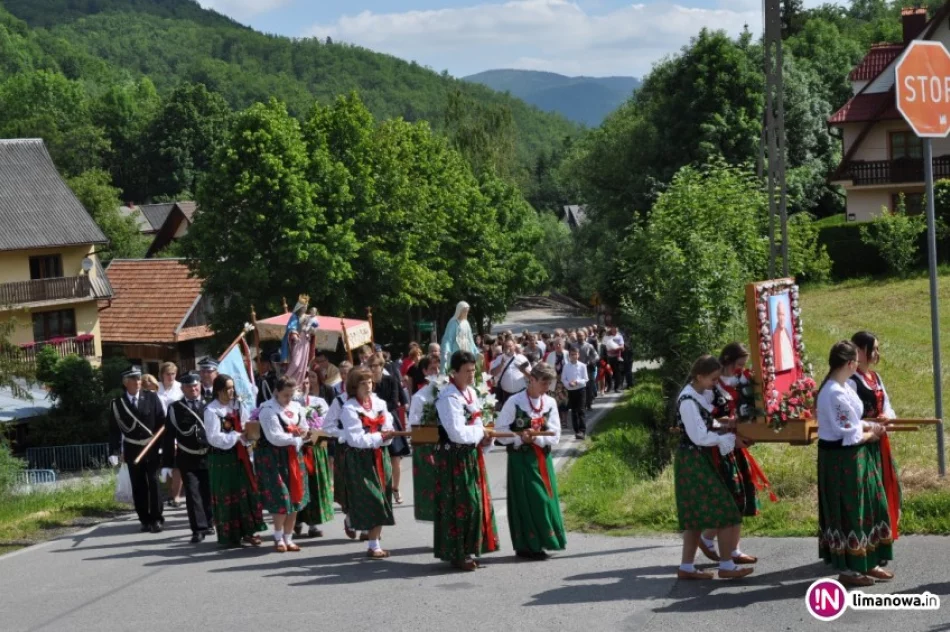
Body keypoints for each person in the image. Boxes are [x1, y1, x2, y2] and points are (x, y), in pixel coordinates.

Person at [817, 341, 893, 586]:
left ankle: (868, 561)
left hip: (856, 457)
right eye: (856, 363)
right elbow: (850, 435)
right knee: (850, 511)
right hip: (841, 460)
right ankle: (849, 570)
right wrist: (875, 434)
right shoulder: (834, 393)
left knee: (869, 506)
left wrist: (870, 425)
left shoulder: (845, 386)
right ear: (850, 363)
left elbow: (855, 421)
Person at [673, 355, 753, 580]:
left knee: (695, 517)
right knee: (727, 509)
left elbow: (704, 424)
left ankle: (687, 568)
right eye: (713, 379)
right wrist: (725, 438)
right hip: (695, 459)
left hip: (697, 457)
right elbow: (698, 436)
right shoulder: (688, 400)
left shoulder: (696, 395)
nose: (715, 383)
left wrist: (723, 424)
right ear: (699, 376)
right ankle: (726, 565)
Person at [698, 342, 765, 565]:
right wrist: (731, 424)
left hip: (736, 440)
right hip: (720, 443)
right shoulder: (712, 385)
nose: (741, 368)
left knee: (741, 494)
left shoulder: (744, 379)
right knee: (728, 495)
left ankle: (734, 549)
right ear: (727, 360)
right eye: (738, 364)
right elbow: (708, 418)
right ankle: (707, 537)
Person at [434, 350, 500, 571]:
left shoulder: (471, 393)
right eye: (467, 371)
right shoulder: (448, 397)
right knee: (463, 505)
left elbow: (478, 424)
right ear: (454, 373)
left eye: (473, 370)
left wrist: (484, 436)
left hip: (470, 455)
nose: (472, 375)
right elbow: (456, 433)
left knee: (477, 502)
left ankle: (470, 549)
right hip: (455, 458)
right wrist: (481, 432)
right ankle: (458, 552)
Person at [495, 362, 567, 560]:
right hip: (520, 458)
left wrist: (536, 437)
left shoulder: (549, 403)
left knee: (543, 500)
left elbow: (555, 435)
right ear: (531, 379)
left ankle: (543, 541)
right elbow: (500, 433)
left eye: (549, 383)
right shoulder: (514, 402)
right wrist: (520, 437)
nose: (546, 388)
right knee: (525, 502)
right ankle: (527, 545)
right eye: (543, 382)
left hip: (541, 459)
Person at [847, 331, 901, 564]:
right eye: (873, 348)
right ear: (859, 350)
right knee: (871, 497)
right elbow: (848, 418)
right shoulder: (850, 380)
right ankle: (868, 546)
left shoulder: (875, 378)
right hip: (862, 444)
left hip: (880, 442)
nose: (877, 353)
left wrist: (886, 416)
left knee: (888, 489)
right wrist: (871, 424)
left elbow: (888, 407)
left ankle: (881, 541)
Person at [339, 367, 396, 559]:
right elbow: (356, 439)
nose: (368, 386)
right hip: (360, 459)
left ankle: (373, 543)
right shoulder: (349, 408)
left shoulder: (379, 403)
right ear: (354, 387)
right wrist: (380, 436)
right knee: (372, 499)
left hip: (380, 455)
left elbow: (388, 426)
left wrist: (386, 437)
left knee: (383, 497)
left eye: (370, 382)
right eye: (363, 383)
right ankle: (364, 533)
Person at [204, 374, 266, 548]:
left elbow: (246, 425)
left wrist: (249, 435)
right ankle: (230, 534)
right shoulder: (212, 411)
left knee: (246, 493)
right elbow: (214, 438)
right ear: (218, 391)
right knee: (227, 494)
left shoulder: (237, 406)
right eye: (227, 388)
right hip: (222, 459)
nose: (231, 392)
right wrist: (237, 436)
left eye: (232, 388)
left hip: (241, 456)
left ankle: (249, 531)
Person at [108, 366, 167, 533]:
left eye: (139, 378)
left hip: (151, 446)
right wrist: (113, 451)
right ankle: (144, 519)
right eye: (134, 379)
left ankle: (157, 518)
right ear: (126, 383)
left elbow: (161, 422)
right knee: (138, 484)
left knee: (154, 482)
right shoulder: (117, 404)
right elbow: (114, 430)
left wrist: (162, 446)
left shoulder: (152, 397)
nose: (138, 382)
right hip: (132, 448)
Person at [257, 376, 311, 552]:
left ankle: (289, 537)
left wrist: (304, 435)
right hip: (274, 458)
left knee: (295, 497)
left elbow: (304, 428)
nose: (289, 398)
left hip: (294, 456)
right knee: (281, 497)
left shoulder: (296, 408)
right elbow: (275, 437)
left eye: (291, 394)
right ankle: (278, 536)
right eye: (286, 395)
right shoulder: (267, 409)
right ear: (276, 393)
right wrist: (296, 439)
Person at [161, 372, 214, 543]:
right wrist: (167, 463)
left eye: (196, 385)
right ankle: (198, 529)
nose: (193, 388)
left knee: (208, 491)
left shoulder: (210, 404)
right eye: (189, 386)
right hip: (187, 457)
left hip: (208, 455)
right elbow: (169, 436)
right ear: (183, 388)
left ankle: (209, 522)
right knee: (192, 493)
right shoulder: (175, 408)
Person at [293, 372, 334, 538]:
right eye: (301, 381)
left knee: (315, 486)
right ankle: (296, 519)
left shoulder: (319, 402)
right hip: (297, 449)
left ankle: (314, 524)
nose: (305, 384)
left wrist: (314, 435)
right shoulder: (290, 404)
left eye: (307, 381)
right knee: (299, 485)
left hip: (316, 448)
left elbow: (327, 424)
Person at [368, 352, 410, 504]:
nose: (373, 369)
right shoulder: (367, 383)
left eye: (376, 366)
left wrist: (379, 410)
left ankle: (396, 488)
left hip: (390, 421)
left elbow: (394, 401)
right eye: (370, 366)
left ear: (381, 366)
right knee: (377, 458)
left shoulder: (391, 380)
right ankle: (381, 488)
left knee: (395, 458)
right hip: (371, 422)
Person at [407, 355, 442, 522]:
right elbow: (413, 426)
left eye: (438, 368)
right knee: (433, 490)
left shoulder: (447, 391)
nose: (436, 372)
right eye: (432, 369)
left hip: (449, 447)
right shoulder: (419, 397)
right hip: (429, 447)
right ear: (424, 372)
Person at [157, 361, 184, 508]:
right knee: (164, 462)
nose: (171, 376)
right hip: (159, 430)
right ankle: (168, 492)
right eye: (168, 374)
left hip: (176, 429)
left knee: (176, 463)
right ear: (162, 375)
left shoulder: (180, 388)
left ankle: (176, 495)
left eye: (173, 373)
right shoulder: (156, 388)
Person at [491, 338, 531, 410]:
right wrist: (501, 364)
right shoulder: (499, 358)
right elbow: (492, 373)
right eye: (506, 346)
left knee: (521, 414)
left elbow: (531, 376)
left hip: (521, 392)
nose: (508, 348)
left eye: (510, 346)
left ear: (514, 346)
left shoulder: (521, 358)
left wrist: (524, 370)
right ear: (503, 348)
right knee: (509, 415)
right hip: (506, 394)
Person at [440, 301, 478, 373]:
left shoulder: (466, 323)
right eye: (464, 311)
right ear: (459, 311)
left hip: (466, 348)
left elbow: (470, 339)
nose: (466, 313)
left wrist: (476, 351)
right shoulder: (453, 322)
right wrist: (446, 350)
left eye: (467, 311)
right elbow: (448, 338)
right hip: (456, 349)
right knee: (457, 366)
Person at [561, 347, 589, 439]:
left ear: (578, 355)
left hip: (581, 390)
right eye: (572, 354)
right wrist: (568, 384)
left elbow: (585, 379)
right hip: (571, 390)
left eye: (575, 354)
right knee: (574, 411)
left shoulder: (582, 366)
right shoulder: (566, 366)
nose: (574, 356)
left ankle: (582, 430)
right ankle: (576, 430)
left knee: (581, 410)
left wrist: (577, 382)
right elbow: (563, 379)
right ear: (569, 356)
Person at [576, 332, 599, 411]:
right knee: (579, 387)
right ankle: (581, 404)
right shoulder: (573, 346)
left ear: (585, 336)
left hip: (588, 368)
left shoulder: (589, 346)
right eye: (578, 336)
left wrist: (591, 361)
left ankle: (589, 404)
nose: (580, 337)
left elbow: (596, 356)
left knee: (588, 387)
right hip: (577, 369)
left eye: (581, 336)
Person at [772, 297, 795, 373]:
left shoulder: (787, 332)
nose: (781, 317)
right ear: (776, 316)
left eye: (783, 314)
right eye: (779, 314)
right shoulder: (776, 334)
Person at [605, 327, 624, 393]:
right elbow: (604, 346)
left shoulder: (619, 337)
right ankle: (609, 387)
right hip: (608, 357)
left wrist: (615, 349)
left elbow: (622, 347)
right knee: (608, 373)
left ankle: (617, 388)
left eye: (616, 330)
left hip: (616, 357)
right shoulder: (607, 337)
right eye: (613, 330)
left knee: (617, 373)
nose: (614, 331)